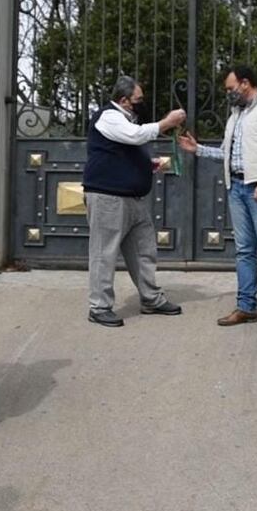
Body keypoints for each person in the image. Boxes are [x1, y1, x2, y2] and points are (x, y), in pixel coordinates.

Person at [178, 66, 257, 333]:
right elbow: (227, 154)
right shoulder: (236, 115)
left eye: (231, 88)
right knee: (244, 250)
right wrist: (197, 149)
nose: (228, 94)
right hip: (238, 187)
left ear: (245, 83)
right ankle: (246, 307)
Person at [83, 75, 186, 327]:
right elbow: (136, 136)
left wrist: (147, 164)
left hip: (133, 198)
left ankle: (151, 298)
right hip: (108, 196)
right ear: (123, 100)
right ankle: (99, 306)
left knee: (144, 251)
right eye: (138, 100)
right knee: (104, 253)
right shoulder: (109, 116)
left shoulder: (126, 118)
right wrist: (166, 123)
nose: (141, 103)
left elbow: (123, 150)